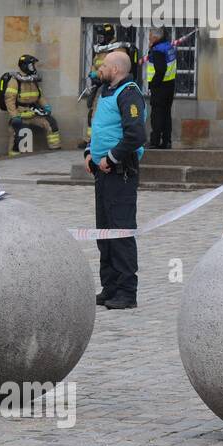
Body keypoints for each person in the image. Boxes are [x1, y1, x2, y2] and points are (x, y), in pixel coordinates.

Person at [84, 50, 147, 311]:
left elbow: (136, 135)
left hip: (120, 173)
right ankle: (109, 287)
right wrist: (89, 152)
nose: (100, 68)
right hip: (102, 174)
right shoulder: (107, 91)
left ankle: (126, 291)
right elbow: (100, 128)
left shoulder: (129, 93)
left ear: (117, 69)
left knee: (120, 232)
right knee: (105, 232)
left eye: (105, 65)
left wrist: (110, 158)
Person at [0, 54, 60, 156]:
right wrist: (14, 116)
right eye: (32, 65)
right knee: (19, 133)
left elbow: (40, 97)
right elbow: (9, 100)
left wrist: (46, 107)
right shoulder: (14, 81)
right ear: (25, 66)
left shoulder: (32, 80)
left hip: (33, 113)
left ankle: (55, 151)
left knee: (51, 123)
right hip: (20, 115)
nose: (33, 67)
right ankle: (13, 157)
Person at [146, 28, 177, 149]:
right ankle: (166, 141)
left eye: (149, 37)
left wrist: (152, 84)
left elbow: (160, 70)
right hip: (170, 85)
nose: (149, 40)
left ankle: (155, 142)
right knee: (166, 114)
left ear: (155, 37)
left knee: (157, 115)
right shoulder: (168, 46)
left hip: (160, 87)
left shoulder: (158, 49)